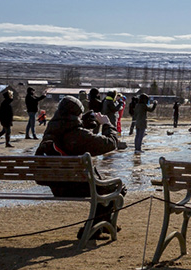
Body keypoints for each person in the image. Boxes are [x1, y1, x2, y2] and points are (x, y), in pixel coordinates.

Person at [34, 96, 124, 239]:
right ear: (76, 114)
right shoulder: (77, 135)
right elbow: (109, 143)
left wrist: (82, 124)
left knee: (102, 187)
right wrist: (107, 124)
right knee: (117, 187)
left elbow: (74, 138)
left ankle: (104, 222)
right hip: (75, 187)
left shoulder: (52, 130)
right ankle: (93, 229)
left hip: (56, 186)